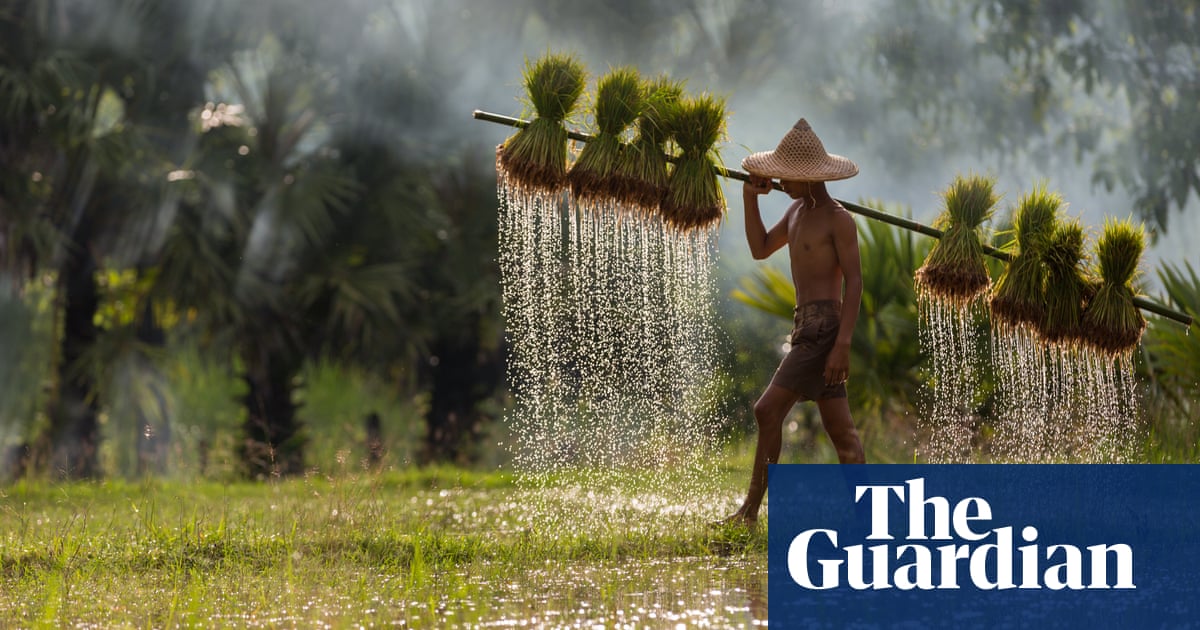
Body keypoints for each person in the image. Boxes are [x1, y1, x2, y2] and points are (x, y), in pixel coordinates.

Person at [721, 119, 865, 528]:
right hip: (805, 327)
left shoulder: (838, 220)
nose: (781, 180)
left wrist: (842, 345)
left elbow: (855, 282)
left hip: (823, 332)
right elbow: (760, 248)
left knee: (766, 410)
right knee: (844, 437)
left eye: (788, 175)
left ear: (809, 177)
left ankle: (748, 514)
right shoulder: (797, 211)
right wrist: (751, 197)